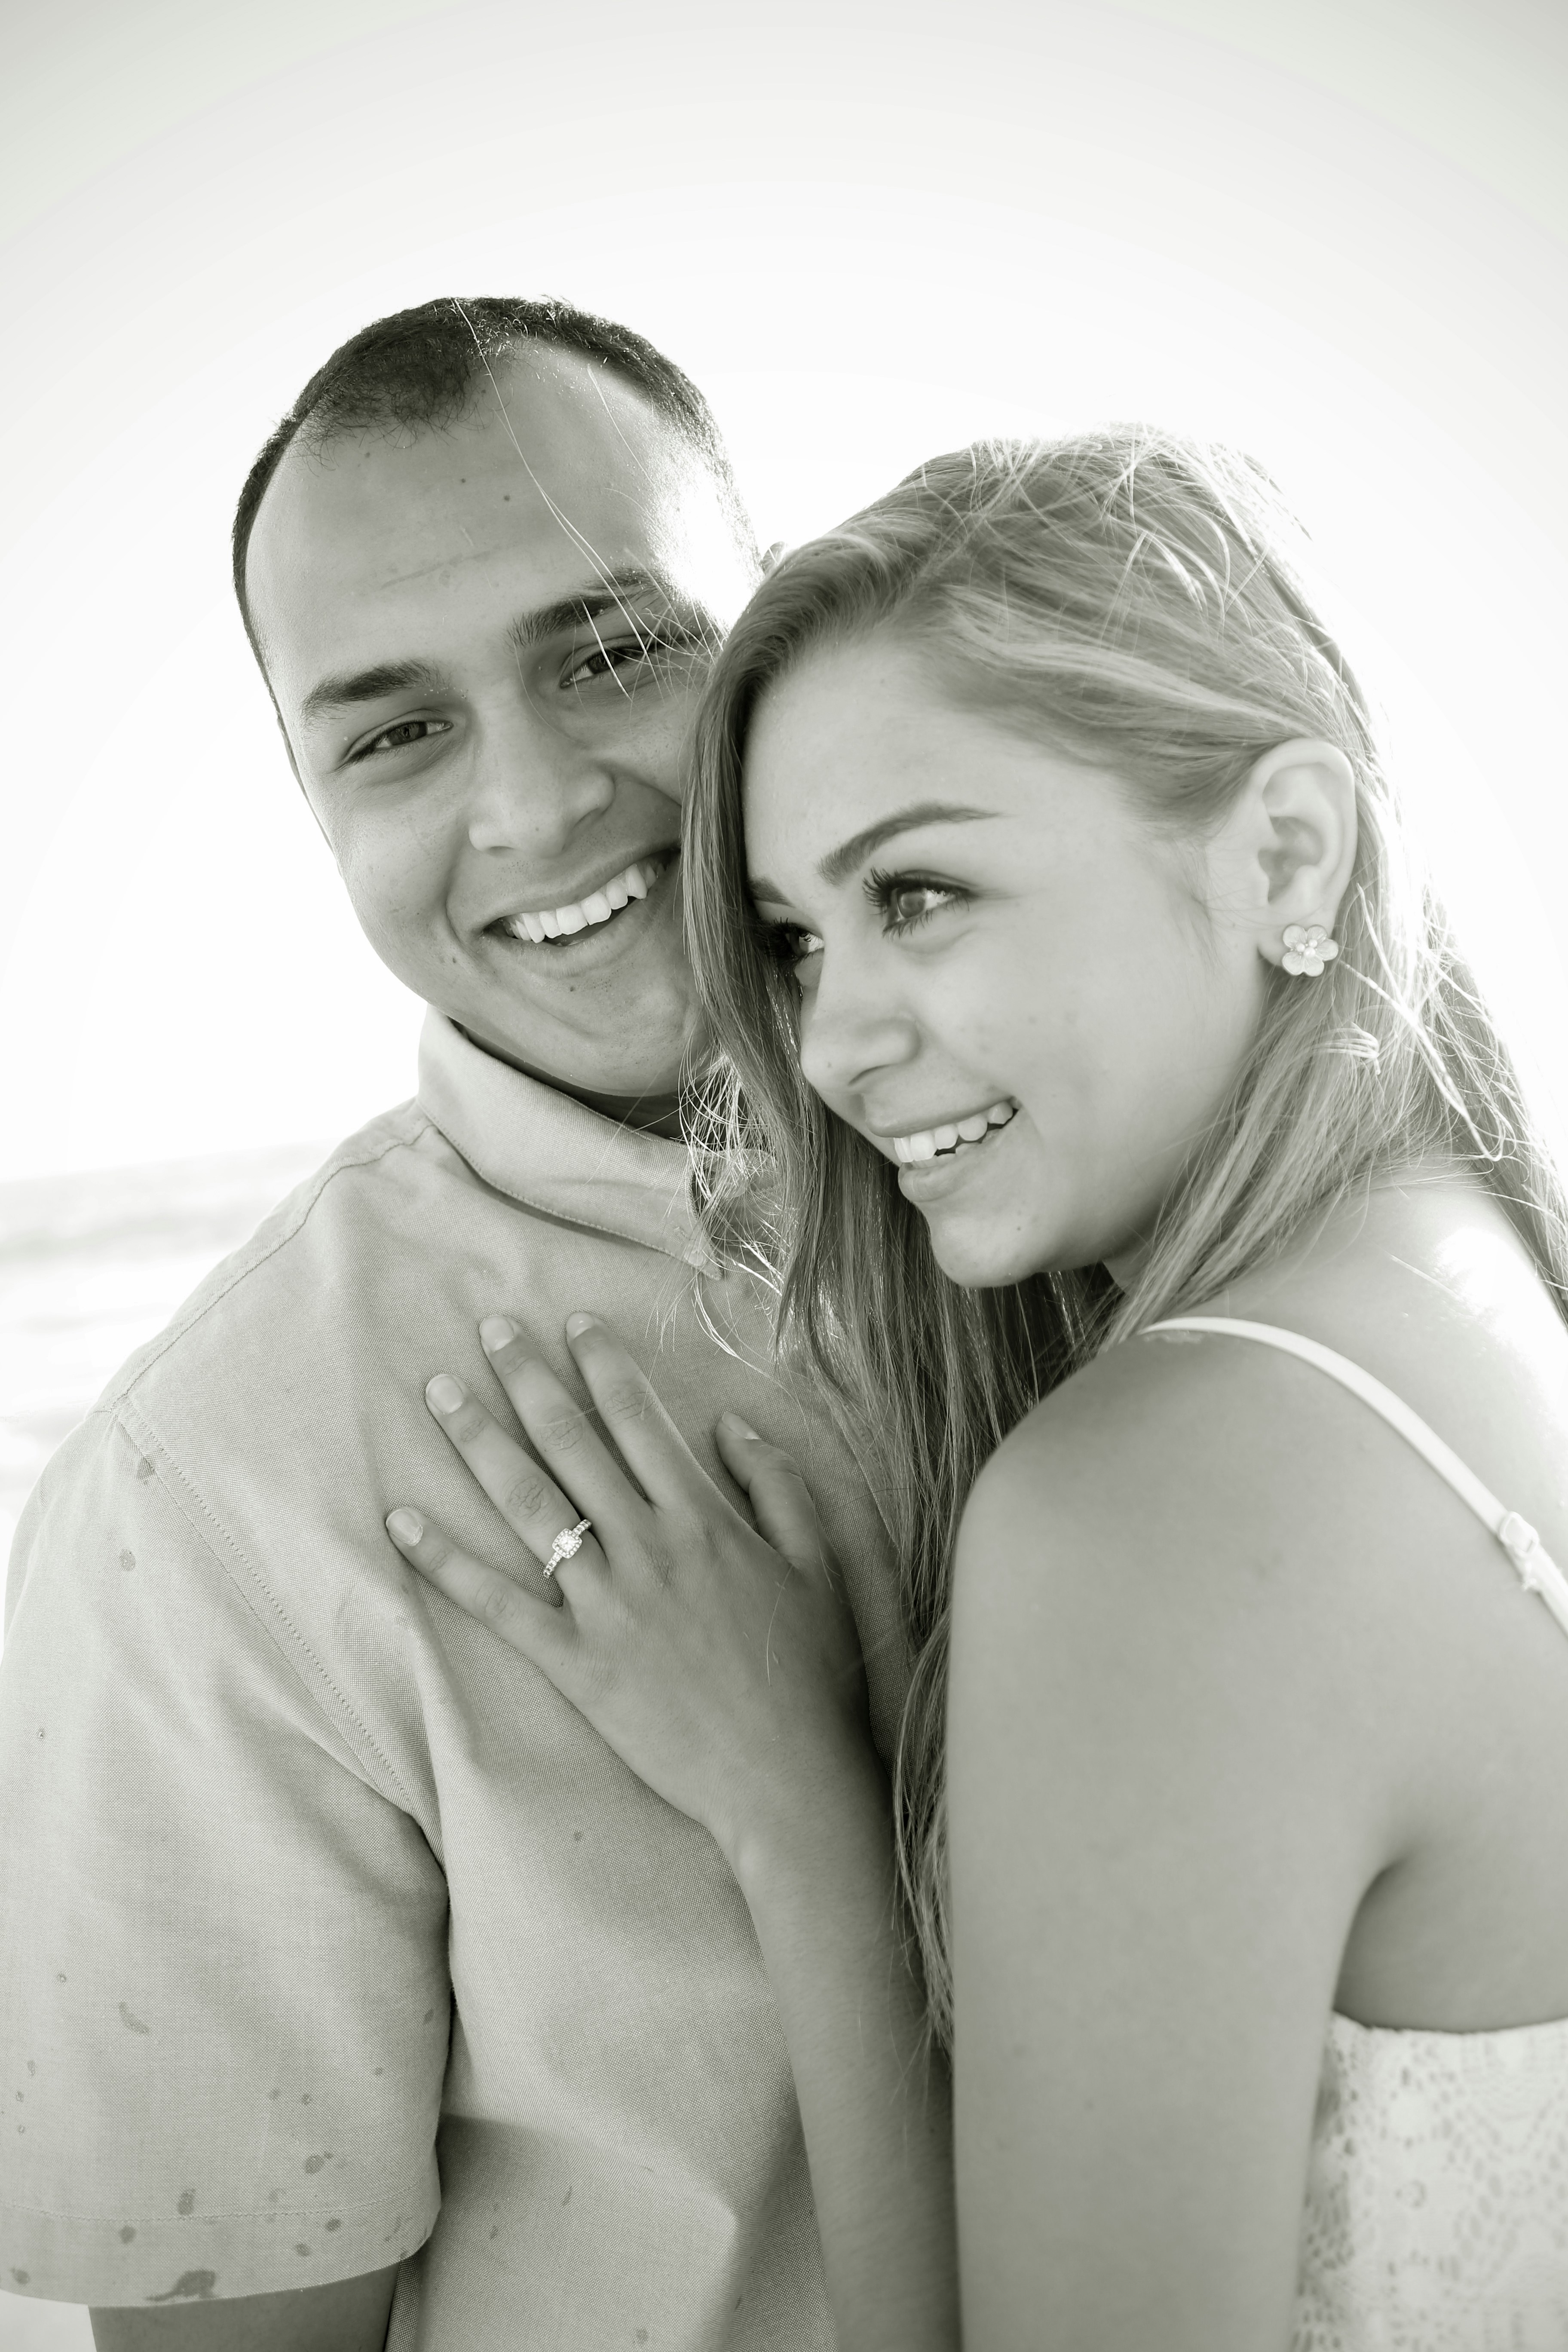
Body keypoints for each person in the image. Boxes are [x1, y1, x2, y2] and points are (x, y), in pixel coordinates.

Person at [393, 429, 1568, 2349]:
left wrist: (797, 1816)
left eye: (921, 893)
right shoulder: (1485, 1289)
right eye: (790, 939)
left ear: (1286, 849)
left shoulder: (1165, 1503)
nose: (834, 1041)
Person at [0, 297, 919, 2351]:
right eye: (396, 730)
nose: (534, 805)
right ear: (309, 797)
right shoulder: (208, 1510)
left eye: (613, 652)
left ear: (776, 627)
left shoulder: (1104, 1190)